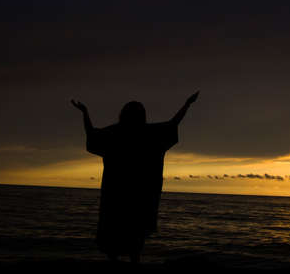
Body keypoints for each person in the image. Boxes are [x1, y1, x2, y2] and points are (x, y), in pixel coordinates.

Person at [71, 91, 199, 263]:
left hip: (116, 193)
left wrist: (85, 113)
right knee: (135, 236)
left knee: (113, 232)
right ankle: (134, 265)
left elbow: (92, 134)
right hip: (140, 195)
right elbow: (173, 123)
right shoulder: (149, 134)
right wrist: (187, 104)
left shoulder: (114, 134)